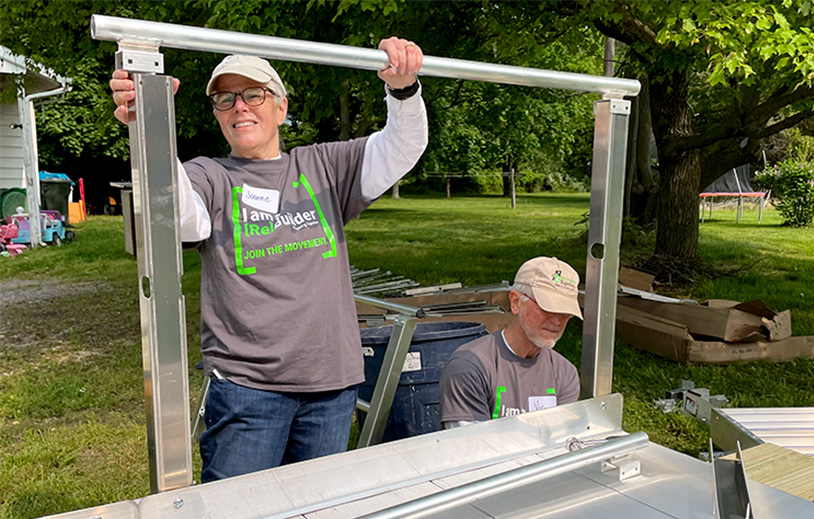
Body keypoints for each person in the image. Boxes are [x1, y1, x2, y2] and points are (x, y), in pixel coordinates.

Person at [110, 38, 427, 482]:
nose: (240, 106)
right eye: (226, 99)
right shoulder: (210, 175)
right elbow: (179, 219)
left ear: (280, 108)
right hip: (247, 392)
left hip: (331, 386)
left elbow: (402, 147)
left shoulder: (323, 167)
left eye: (253, 94)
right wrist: (146, 127)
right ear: (219, 114)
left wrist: (403, 88)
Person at [439, 256, 582, 428]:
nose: (557, 321)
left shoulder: (565, 373)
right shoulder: (470, 366)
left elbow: (561, 441)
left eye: (565, 312)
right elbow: (471, 447)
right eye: (548, 308)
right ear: (515, 302)